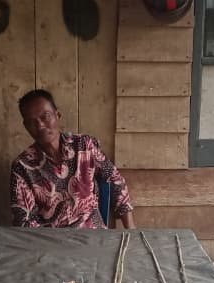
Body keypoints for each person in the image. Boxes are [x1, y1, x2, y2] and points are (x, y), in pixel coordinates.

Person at [10, 88, 136, 229]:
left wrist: (131, 231)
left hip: (93, 233)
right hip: (51, 239)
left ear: (57, 115)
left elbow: (115, 181)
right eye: (32, 122)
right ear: (26, 127)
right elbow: (24, 221)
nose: (40, 125)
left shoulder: (84, 145)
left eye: (46, 116)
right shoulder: (22, 166)